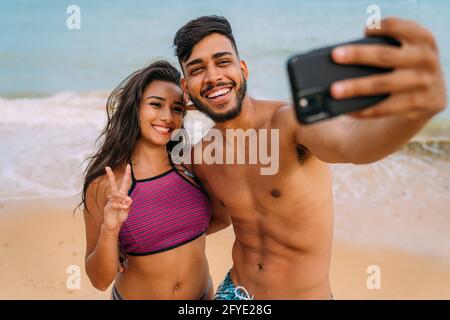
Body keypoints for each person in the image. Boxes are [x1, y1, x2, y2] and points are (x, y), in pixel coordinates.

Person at [172, 16, 447, 299]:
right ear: (186, 87)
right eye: (197, 69)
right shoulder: (203, 155)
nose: (213, 76)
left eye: (223, 61)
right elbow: (212, 219)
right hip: (235, 294)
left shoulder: (290, 124)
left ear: (243, 69)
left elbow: (352, 144)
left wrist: (414, 113)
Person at [80, 60, 224, 299]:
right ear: (134, 108)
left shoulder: (190, 166)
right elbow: (99, 279)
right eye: (155, 105)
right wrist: (110, 231)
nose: (167, 117)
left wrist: (202, 100)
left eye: (177, 108)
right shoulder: (106, 183)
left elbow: (223, 218)